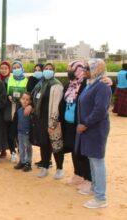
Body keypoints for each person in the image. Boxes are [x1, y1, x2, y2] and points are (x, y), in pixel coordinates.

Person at [76, 59, 111, 209]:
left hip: (95, 128)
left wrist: (86, 123)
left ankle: (100, 197)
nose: (84, 71)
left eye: (87, 68)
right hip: (89, 128)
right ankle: (94, 188)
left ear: (96, 69)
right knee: (92, 160)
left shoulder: (102, 86)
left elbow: (100, 110)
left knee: (97, 161)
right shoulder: (92, 83)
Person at [59, 61, 91, 191]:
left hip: (80, 124)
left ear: (78, 70)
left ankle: (87, 178)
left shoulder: (86, 85)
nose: (69, 72)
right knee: (73, 149)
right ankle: (78, 174)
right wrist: (61, 119)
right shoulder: (69, 85)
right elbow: (63, 103)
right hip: (69, 123)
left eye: (71, 69)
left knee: (82, 152)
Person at [32, 63, 64, 179]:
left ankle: (60, 168)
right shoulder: (40, 84)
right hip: (40, 119)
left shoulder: (56, 85)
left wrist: (53, 123)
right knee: (43, 143)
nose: (48, 71)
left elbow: (56, 106)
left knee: (56, 145)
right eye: (46, 69)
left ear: (54, 71)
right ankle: (45, 166)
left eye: (50, 69)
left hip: (52, 119)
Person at [0, 61, 16, 161]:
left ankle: (13, 151)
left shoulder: (12, 80)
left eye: (5, 68)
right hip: (0, 109)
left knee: (10, 132)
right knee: (2, 131)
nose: (3, 70)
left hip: (9, 109)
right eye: (2, 68)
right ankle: (3, 150)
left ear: (9, 69)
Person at [13, 92, 33, 172]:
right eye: (23, 99)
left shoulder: (31, 111)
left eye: (27, 100)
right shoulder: (19, 110)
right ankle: (22, 161)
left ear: (30, 102)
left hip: (27, 133)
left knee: (28, 148)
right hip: (20, 132)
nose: (25, 101)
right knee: (20, 147)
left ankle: (28, 163)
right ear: (20, 100)